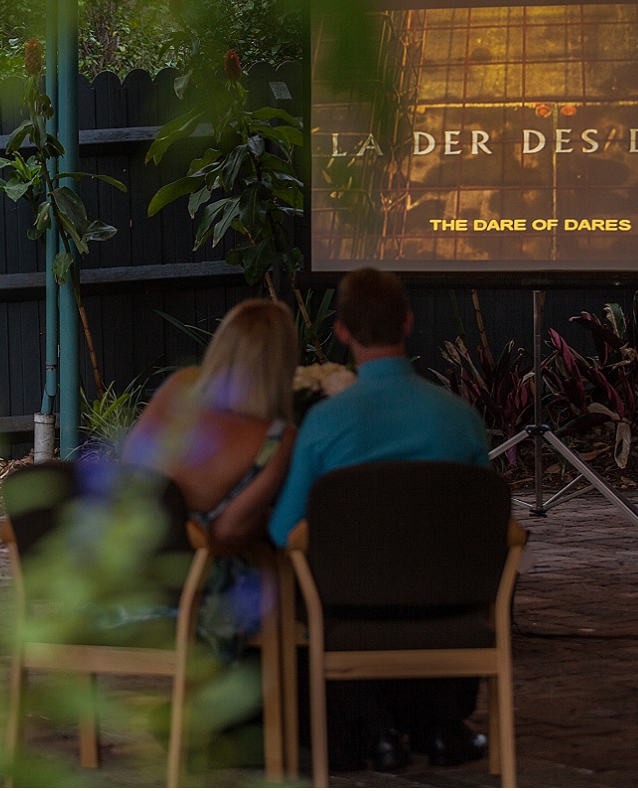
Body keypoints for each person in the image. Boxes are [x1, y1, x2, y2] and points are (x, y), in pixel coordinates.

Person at [268, 268, 492, 772]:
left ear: (342, 331)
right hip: (447, 606)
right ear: (409, 323)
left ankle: (372, 728)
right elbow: (486, 523)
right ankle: (440, 725)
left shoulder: (325, 424)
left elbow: (284, 533)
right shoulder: (462, 419)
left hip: (350, 611)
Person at [123, 297, 300, 659]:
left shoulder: (179, 387)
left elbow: (130, 474)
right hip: (197, 603)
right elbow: (227, 534)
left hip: (129, 583)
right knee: (276, 584)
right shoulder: (277, 437)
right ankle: (274, 709)